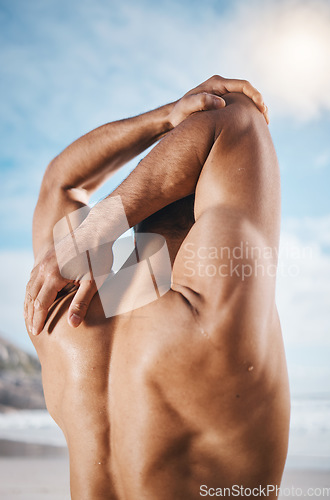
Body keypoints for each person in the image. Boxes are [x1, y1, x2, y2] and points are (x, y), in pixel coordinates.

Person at [24, 76, 290, 499]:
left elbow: (61, 179)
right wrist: (107, 222)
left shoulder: (61, 315)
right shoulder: (215, 313)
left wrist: (167, 117)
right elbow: (233, 116)